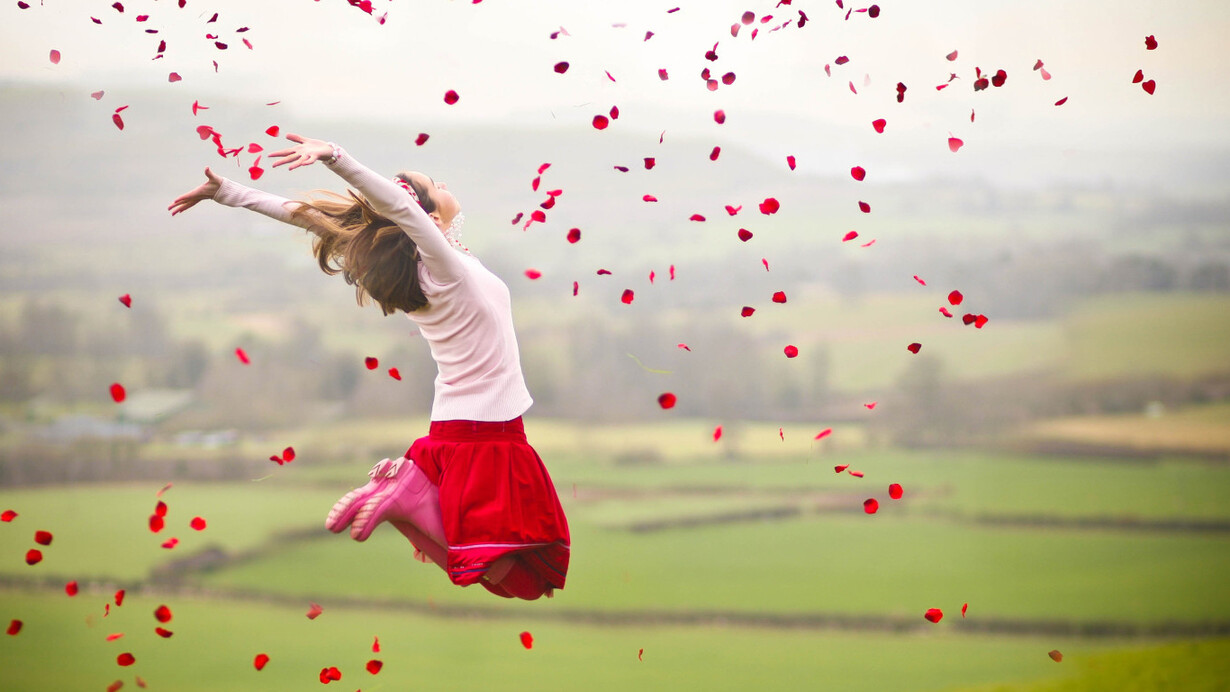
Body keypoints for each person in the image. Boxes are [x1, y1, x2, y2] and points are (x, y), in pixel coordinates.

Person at [169, 134, 570, 600]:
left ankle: (412, 502)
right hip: (486, 434)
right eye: (432, 185)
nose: (442, 183)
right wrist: (336, 157)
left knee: (516, 573)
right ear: (428, 215)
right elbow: (398, 207)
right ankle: (409, 500)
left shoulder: (435, 267)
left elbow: (314, 219)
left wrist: (230, 193)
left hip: (458, 430)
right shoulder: (443, 267)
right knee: (528, 577)